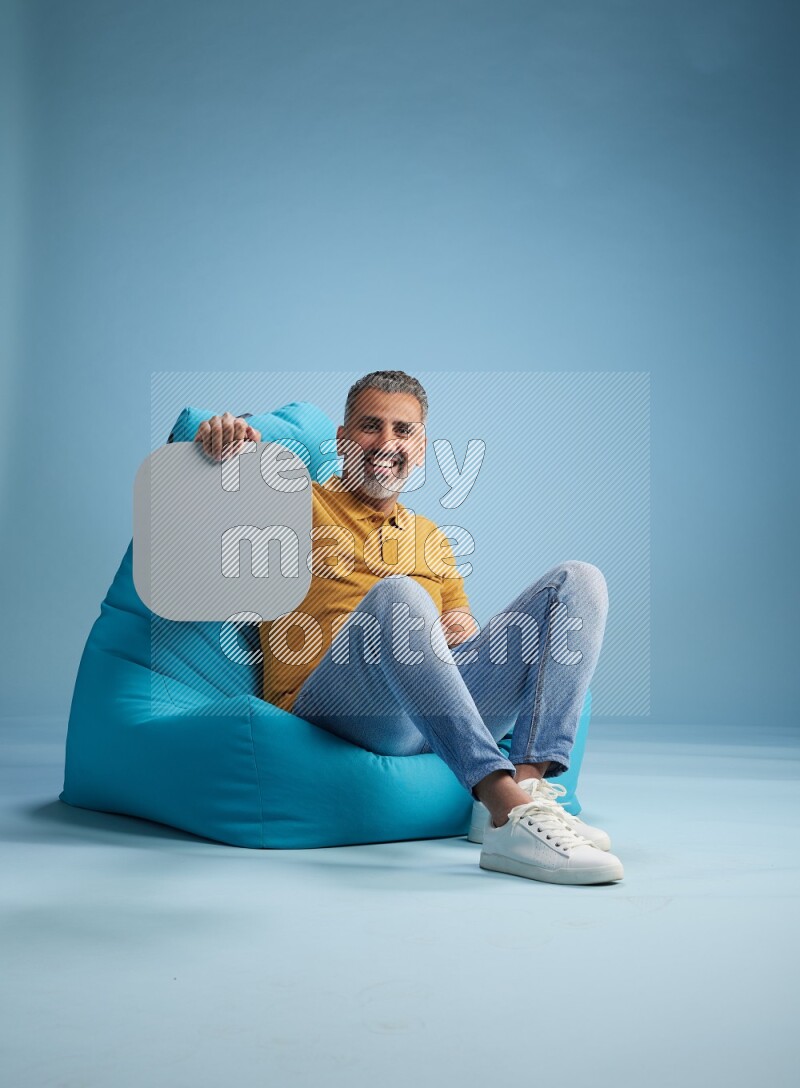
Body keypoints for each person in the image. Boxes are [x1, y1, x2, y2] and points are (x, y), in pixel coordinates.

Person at [194, 371, 623, 885]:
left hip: (426, 710)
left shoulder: (432, 537)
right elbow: (208, 501)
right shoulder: (294, 502)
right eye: (370, 427)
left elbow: (458, 631)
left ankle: (525, 794)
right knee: (400, 595)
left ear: (420, 448)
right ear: (342, 439)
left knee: (579, 582)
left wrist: (458, 633)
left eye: (403, 431)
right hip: (334, 707)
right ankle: (503, 803)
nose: (386, 443)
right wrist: (222, 439)